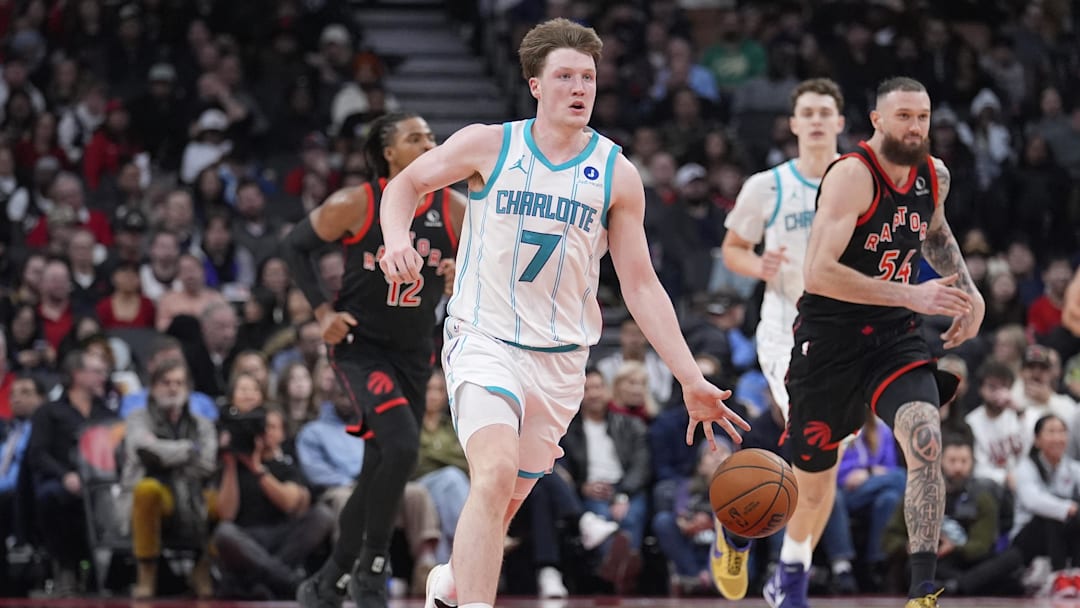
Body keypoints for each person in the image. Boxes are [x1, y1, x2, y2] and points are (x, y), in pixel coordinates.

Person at [377, 18, 749, 608]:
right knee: (493, 476)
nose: (580, 88)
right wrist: (397, 238)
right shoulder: (488, 144)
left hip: (560, 363)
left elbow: (641, 283)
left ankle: (450, 581)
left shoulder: (616, 173)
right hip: (483, 337)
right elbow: (406, 184)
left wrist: (690, 377)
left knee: (500, 508)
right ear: (534, 85)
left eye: (589, 78)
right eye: (566, 76)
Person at [770, 76, 984, 608]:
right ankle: (790, 571)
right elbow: (818, 273)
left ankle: (922, 589)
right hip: (830, 340)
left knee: (926, 439)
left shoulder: (934, 175)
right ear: (877, 121)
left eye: (924, 117)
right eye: (905, 116)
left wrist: (968, 290)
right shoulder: (851, 176)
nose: (915, 127)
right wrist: (913, 294)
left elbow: (933, 233)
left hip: (893, 337)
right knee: (815, 485)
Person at [284, 111, 465, 608]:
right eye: (415, 137)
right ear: (389, 152)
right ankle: (372, 568)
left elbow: (484, 271)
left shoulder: (454, 209)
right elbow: (294, 247)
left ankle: (329, 580)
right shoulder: (356, 203)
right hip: (361, 348)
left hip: (413, 351)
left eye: (431, 135)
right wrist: (323, 310)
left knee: (379, 469)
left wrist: (460, 276)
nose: (429, 142)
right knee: (404, 448)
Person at [716, 77, 846, 598]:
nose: (815, 120)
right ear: (793, 124)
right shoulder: (767, 185)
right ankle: (788, 574)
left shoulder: (860, 182)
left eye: (824, 111)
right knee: (814, 443)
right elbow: (732, 249)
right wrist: (757, 263)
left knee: (827, 464)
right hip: (786, 329)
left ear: (840, 122)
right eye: (807, 112)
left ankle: (766, 549)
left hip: (846, 336)